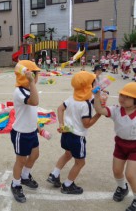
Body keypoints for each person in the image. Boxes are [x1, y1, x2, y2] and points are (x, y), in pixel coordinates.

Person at [47, 71, 101, 194]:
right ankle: (67, 185)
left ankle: (54, 175)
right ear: (88, 86)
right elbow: (86, 124)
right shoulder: (85, 104)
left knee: (67, 154)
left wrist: (61, 124)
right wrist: (98, 114)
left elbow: (60, 108)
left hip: (67, 133)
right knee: (80, 162)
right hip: (77, 137)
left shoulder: (72, 98)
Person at [94, 82, 136, 211]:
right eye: (121, 95)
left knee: (130, 174)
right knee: (117, 171)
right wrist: (96, 96)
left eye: (127, 97)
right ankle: (122, 188)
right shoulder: (116, 109)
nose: (122, 98)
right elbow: (100, 110)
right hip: (120, 144)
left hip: (135, 147)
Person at [10, 60, 41, 203]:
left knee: (35, 154)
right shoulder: (19, 91)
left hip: (32, 130)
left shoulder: (29, 89)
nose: (37, 76)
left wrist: (37, 126)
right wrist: (32, 82)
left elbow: (32, 110)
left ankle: (25, 176)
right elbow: (34, 102)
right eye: (35, 74)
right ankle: (15, 184)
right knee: (21, 160)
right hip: (21, 133)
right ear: (28, 76)